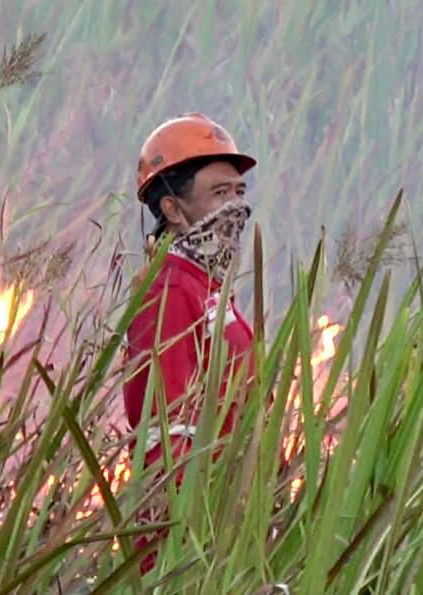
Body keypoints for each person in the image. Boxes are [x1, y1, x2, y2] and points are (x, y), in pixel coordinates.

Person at [123, 112, 259, 574]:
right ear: (172, 209)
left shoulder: (209, 288)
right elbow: (162, 431)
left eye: (239, 192)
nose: (235, 207)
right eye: (219, 193)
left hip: (231, 525)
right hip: (192, 544)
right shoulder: (169, 289)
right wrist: (188, 544)